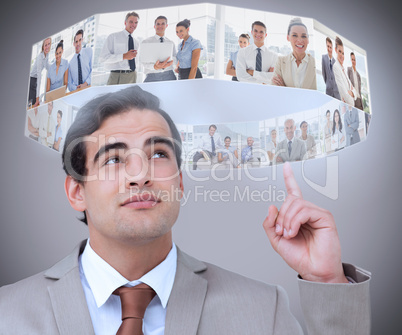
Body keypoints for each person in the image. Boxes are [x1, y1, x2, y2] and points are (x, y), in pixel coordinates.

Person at [0, 86, 370, 334]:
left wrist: (327, 283)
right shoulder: (7, 314)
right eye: (113, 158)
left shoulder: (263, 310)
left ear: (179, 183)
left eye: (158, 154)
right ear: (76, 192)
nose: (140, 174)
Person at [272, 18, 316, 90]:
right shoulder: (280, 62)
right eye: (294, 35)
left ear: (308, 39)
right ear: (288, 37)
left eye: (303, 36)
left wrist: (285, 88)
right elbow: (274, 89)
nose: (299, 40)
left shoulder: (315, 63)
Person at [99, 12, 140, 85]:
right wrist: (123, 56)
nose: (133, 25)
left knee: (130, 97)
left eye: (136, 23)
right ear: (125, 22)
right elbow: (103, 58)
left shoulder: (136, 42)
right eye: (131, 22)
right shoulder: (113, 37)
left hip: (132, 75)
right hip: (117, 76)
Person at [140, 16, 177, 82]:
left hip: (169, 74)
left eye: (163, 24)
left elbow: (175, 58)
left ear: (166, 26)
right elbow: (143, 62)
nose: (160, 26)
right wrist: (155, 67)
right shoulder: (146, 42)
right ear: (154, 26)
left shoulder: (171, 43)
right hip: (152, 75)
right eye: (158, 24)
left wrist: (168, 62)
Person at [332, 36, 357, 106]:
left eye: (343, 53)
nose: (342, 55)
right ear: (335, 50)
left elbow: (354, 91)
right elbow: (344, 94)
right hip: (345, 107)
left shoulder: (343, 69)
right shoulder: (336, 67)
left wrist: (351, 92)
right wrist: (352, 99)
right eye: (340, 52)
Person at [28, 37, 51, 107]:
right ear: (43, 46)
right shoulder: (40, 58)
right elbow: (39, 77)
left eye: (49, 44)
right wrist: (38, 97)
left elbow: (47, 66)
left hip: (35, 80)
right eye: (45, 45)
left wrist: (56, 68)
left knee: (35, 104)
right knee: (31, 104)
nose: (47, 47)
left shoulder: (47, 54)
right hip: (32, 80)